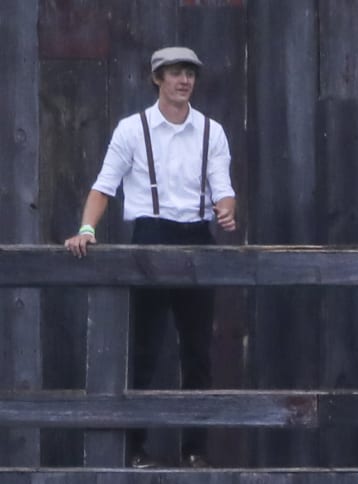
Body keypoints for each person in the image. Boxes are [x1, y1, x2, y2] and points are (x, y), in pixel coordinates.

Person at [64, 46, 239, 398]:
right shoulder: (132, 130)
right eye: (175, 73)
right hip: (150, 236)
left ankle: (195, 452)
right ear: (157, 78)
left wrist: (226, 209)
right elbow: (104, 187)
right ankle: (135, 450)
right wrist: (86, 229)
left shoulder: (211, 131)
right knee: (143, 350)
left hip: (197, 239)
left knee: (198, 352)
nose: (184, 80)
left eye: (189, 74)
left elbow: (224, 189)